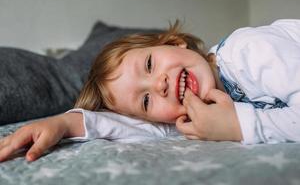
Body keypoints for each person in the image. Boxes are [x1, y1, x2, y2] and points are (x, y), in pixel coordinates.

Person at [0, 19, 299, 162]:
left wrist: (237, 126)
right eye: (145, 100)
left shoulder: (250, 52)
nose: (160, 84)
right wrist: (63, 123)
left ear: (173, 43)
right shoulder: (191, 115)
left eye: (149, 63)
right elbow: (133, 127)